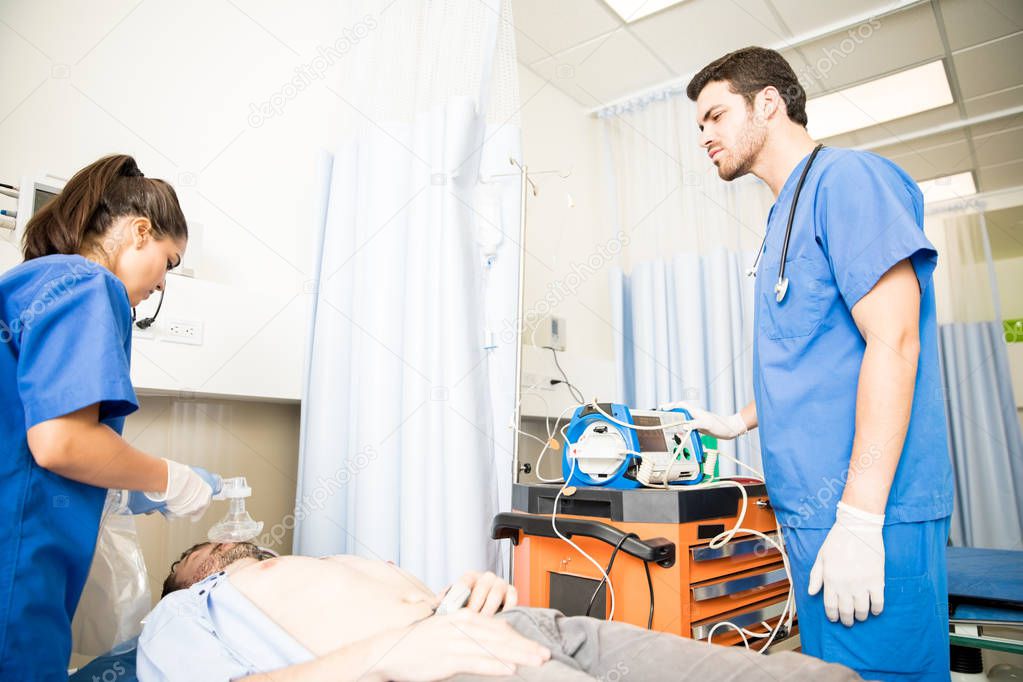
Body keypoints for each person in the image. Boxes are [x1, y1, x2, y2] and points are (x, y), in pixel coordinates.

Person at [660, 47, 953, 680]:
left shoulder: (847, 181)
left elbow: (895, 341)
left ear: (768, 103)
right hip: (814, 516)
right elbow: (816, 355)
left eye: (714, 115)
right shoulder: (783, 218)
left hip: (874, 510)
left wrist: (859, 516)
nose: (704, 136)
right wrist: (736, 424)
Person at [0, 154, 222, 678]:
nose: (164, 285)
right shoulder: (87, 284)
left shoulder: (31, 283)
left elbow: (28, 440)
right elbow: (61, 443)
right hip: (15, 565)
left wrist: (126, 489)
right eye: (169, 262)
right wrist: (172, 478)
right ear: (141, 231)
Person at [137, 540, 861, 681]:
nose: (228, 541)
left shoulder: (315, 562)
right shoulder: (181, 615)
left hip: (524, 625)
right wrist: (392, 656)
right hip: (454, 665)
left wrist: (478, 588)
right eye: (204, 548)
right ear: (187, 576)